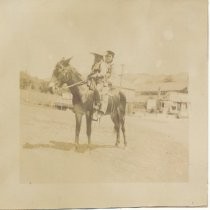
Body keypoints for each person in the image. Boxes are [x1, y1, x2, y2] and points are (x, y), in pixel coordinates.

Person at [88, 50, 116, 120]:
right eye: (106, 56)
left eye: (109, 56)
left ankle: (99, 111)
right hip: (96, 81)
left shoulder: (106, 65)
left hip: (105, 83)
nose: (107, 58)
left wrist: (95, 75)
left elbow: (103, 74)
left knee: (101, 93)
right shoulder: (98, 64)